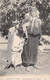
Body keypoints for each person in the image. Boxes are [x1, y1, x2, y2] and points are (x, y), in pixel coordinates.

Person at [22, 7, 42, 71]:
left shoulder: (38, 20)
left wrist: (40, 37)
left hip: (36, 38)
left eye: (34, 12)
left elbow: (40, 29)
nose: (33, 13)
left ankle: (34, 63)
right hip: (29, 37)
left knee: (35, 51)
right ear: (30, 13)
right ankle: (28, 65)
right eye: (32, 12)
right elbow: (23, 26)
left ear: (36, 13)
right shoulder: (28, 19)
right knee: (29, 50)